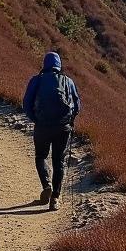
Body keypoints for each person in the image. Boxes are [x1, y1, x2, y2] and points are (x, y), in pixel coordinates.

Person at [22, 51, 81, 210]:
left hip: (42, 126)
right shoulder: (68, 81)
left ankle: (46, 184)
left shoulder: (37, 80)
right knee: (58, 161)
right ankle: (55, 198)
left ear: (45, 64)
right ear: (59, 65)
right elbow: (77, 105)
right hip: (63, 127)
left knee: (41, 156)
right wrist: (69, 120)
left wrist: (36, 119)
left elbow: (26, 103)